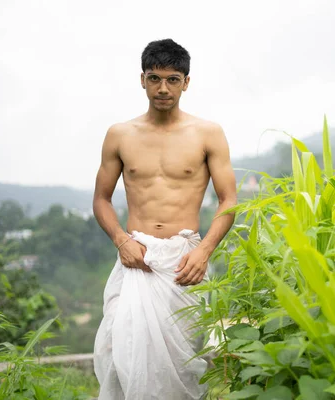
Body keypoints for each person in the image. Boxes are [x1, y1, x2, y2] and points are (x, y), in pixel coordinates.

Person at [92, 39, 237, 400]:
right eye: (154, 78)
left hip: (183, 261)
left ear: (186, 82)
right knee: (119, 351)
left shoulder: (207, 133)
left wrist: (204, 251)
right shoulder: (120, 134)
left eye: (173, 80)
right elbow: (101, 200)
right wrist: (122, 240)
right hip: (135, 259)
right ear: (141, 79)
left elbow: (229, 200)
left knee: (182, 365)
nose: (163, 89)